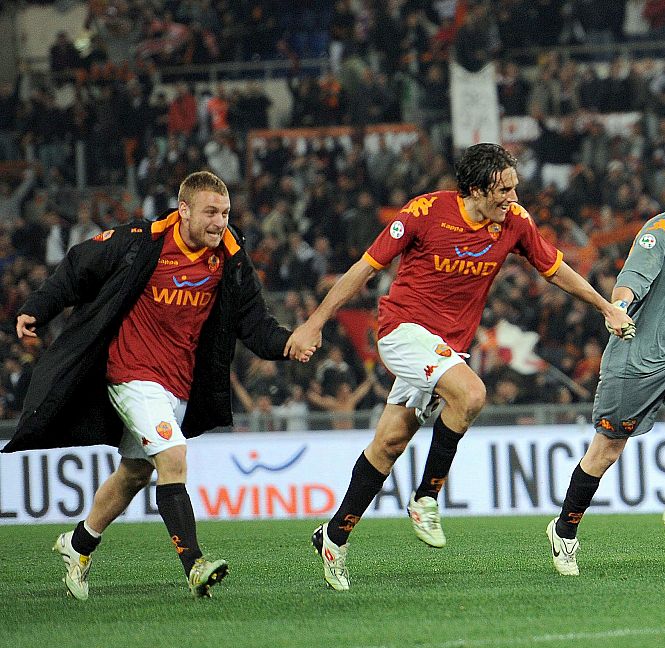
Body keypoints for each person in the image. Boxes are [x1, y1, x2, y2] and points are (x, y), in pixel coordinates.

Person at [293, 143, 633, 591]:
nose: (513, 197)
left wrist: (605, 306)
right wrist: (315, 323)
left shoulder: (514, 222)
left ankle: (334, 536)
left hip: (447, 348)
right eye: (503, 189)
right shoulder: (424, 212)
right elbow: (364, 269)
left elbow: (556, 269)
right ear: (475, 188)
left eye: (515, 187)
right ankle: (427, 497)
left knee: (390, 442)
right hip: (401, 331)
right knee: (472, 394)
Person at [7, 170, 309, 599]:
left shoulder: (228, 253)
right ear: (183, 210)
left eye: (225, 213)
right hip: (131, 373)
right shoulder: (142, 240)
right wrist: (38, 307)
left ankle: (78, 544)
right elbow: (78, 265)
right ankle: (195, 566)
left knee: (134, 473)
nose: (219, 222)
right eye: (210, 212)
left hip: (178, 385)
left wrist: (286, 344)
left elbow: (253, 321)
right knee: (173, 457)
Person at [546, 158, 665, 576]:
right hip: (635, 360)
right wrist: (617, 309)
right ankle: (564, 531)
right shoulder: (661, 233)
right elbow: (632, 279)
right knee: (605, 453)